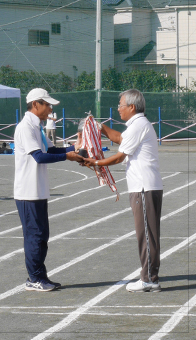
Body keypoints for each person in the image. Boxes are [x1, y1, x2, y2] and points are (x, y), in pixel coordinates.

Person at [83, 89, 163, 292]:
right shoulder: (137, 125)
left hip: (144, 188)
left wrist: (96, 162)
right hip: (144, 186)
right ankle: (149, 276)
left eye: (121, 105)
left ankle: (149, 279)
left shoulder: (139, 126)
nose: (118, 109)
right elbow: (120, 138)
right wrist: (99, 127)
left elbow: (119, 157)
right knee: (146, 233)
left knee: (146, 234)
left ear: (132, 107)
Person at [14, 88, 82, 292]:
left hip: (38, 190)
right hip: (28, 191)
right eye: (47, 104)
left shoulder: (38, 127)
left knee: (42, 235)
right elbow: (39, 157)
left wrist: (75, 150)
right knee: (34, 235)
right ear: (36, 104)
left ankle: (40, 276)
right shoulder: (26, 127)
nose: (50, 109)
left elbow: (51, 150)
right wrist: (68, 156)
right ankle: (34, 278)